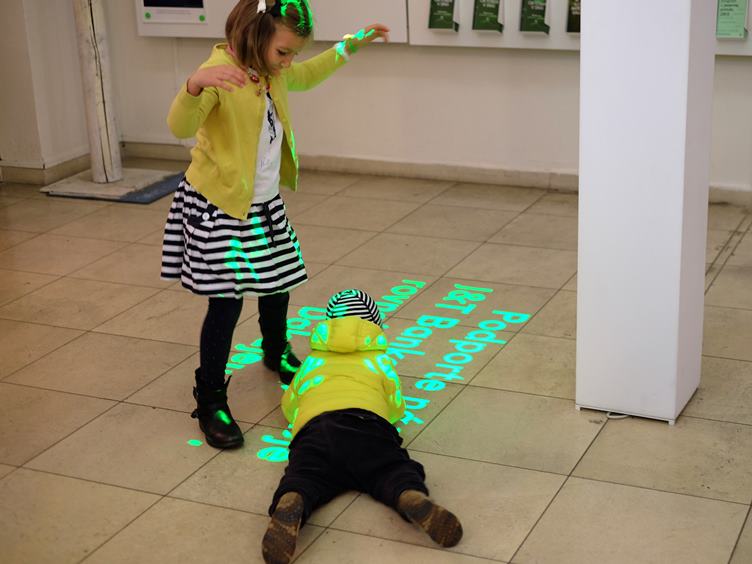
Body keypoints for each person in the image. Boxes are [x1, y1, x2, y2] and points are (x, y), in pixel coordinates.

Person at [160, 0, 389, 449]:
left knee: (278, 282)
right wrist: (194, 85)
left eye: (292, 54)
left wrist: (349, 46)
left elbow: (308, 74)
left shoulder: (272, 70)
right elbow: (179, 125)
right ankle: (210, 397)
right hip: (220, 206)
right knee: (226, 304)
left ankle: (275, 349)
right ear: (255, 34)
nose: (288, 62)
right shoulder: (219, 72)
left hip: (263, 203)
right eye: (283, 52)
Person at [262, 289, 463, 564]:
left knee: (305, 474)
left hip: (317, 427)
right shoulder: (379, 361)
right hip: (366, 423)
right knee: (390, 468)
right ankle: (409, 495)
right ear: (375, 326)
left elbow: (290, 404)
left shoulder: (313, 361)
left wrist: (304, 419)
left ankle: (294, 497)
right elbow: (396, 406)